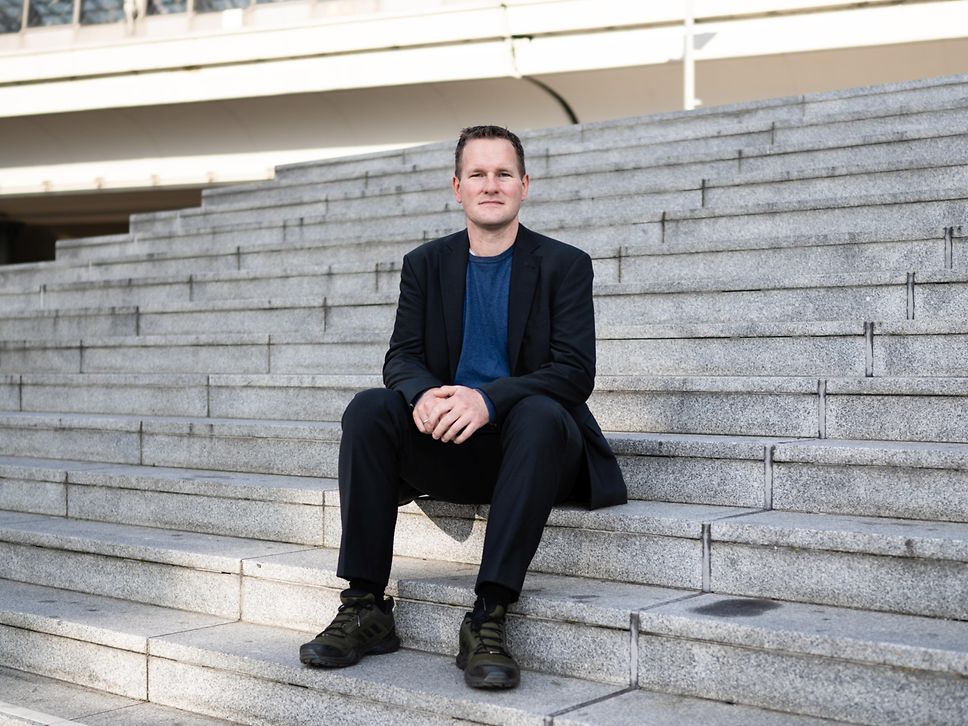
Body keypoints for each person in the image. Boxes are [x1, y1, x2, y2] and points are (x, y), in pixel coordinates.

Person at [299, 125, 627, 689]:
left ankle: (489, 617)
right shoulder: (426, 264)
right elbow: (401, 357)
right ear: (458, 187)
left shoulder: (563, 265)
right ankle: (365, 606)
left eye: (504, 174)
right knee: (369, 409)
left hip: (534, 450)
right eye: (478, 173)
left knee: (543, 412)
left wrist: (488, 398)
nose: (491, 184)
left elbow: (574, 374)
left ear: (524, 185)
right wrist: (425, 393)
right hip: (451, 443)